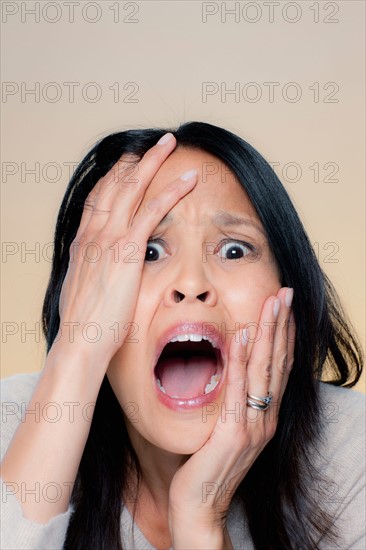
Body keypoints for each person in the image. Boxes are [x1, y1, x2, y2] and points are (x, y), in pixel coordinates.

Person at [0, 122, 364, 550]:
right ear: (84, 287)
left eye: (233, 249)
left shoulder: (349, 452)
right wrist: (79, 345)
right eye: (148, 250)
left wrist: (201, 520)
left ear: (289, 283)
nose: (191, 283)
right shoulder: (18, 423)